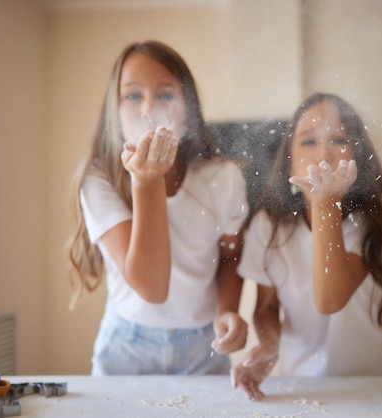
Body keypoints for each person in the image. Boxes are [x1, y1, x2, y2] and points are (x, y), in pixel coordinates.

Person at [67, 40, 249, 375]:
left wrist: (227, 310)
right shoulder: (99, 178)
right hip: (126, 346)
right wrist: (146, 182)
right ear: (114, 111)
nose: (149, 109)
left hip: (203, 347)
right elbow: (152, 288)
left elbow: (230, 255)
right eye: (133, 96)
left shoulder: (222, 177)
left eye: (166, 95)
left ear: (189, 111)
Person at [231, 93, 382, 400]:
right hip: (299, 386)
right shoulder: (269, 224)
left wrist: (325, 201)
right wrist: (267, 347)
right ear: (289, 157)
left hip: (371, 388)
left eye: (339, 140)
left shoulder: (372, 217)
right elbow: (266, 308)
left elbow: (330, 299)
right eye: (308, 141)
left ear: (357, 155)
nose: (324, 153)